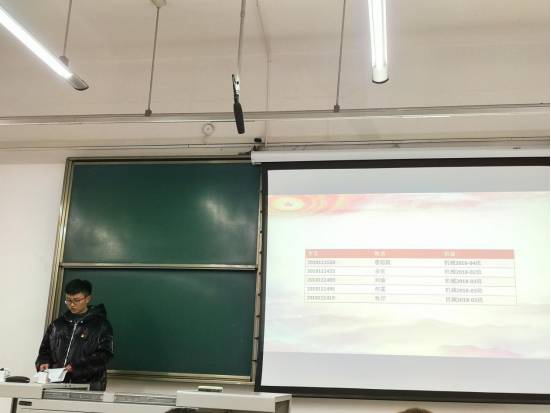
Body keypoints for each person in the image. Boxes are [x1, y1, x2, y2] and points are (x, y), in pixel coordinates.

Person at [35, 279, 114, 391]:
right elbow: (44, 351)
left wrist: (78, 367)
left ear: (87, 298)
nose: (72, 304)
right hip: (55, 384)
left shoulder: (101, 325)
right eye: (68, 300)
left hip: (88, 386)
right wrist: (43, 362)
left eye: (76, 300)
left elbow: (105, 355)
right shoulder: (57, 325)